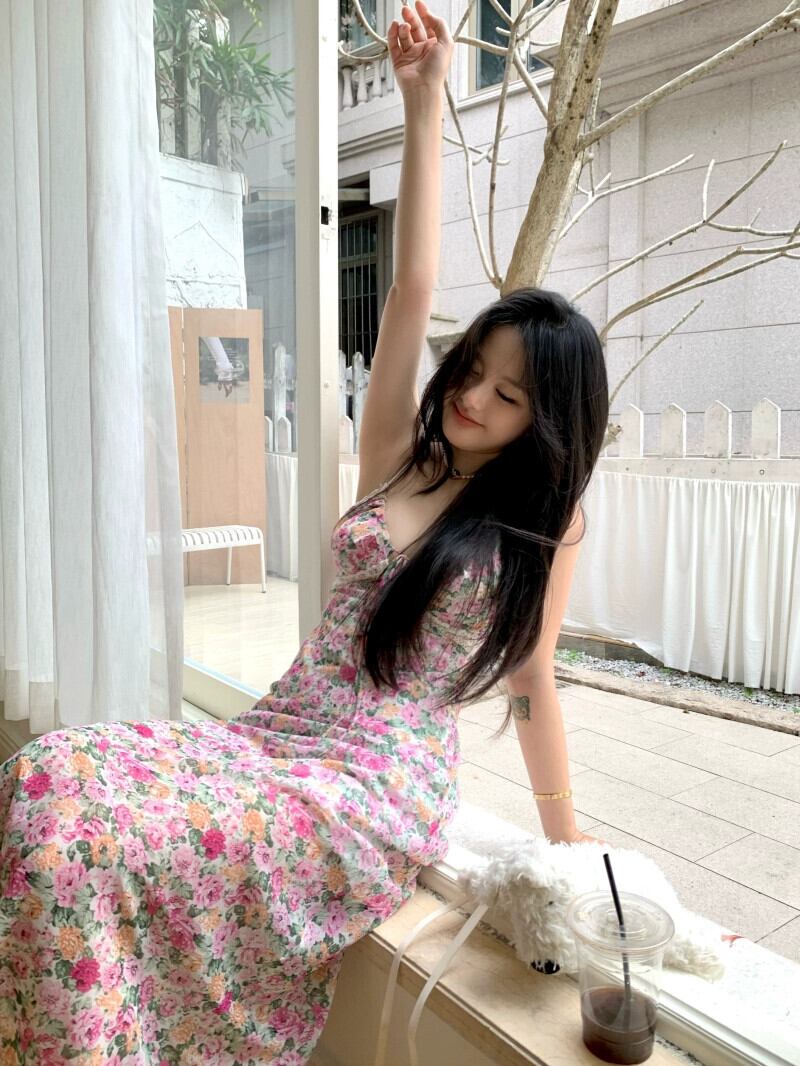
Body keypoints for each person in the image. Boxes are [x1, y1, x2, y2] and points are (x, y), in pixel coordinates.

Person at [0, 3, 609, 1063]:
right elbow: (411, 287)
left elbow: (531, 681)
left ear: (545, 421)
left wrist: (568, 836)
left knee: (89, 841)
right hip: (276, 733)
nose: (472, 397)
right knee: (45, 775)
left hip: (370, 782)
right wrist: (423, 102)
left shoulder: (540, 531)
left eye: (508, 395)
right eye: (472, 370)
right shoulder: (399, 455)